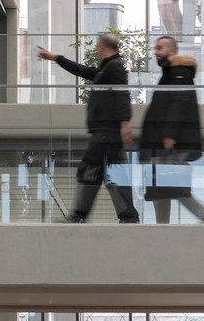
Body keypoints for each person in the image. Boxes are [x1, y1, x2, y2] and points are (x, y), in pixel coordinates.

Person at [36, 34, 140, 223]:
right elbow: (81, 70)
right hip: (106, 133)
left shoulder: (114, 67)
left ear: (101, 47)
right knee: (107, 174)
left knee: (92, 172)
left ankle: (81, 216)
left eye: (97, 47)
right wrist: (55, 58)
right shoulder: (106, 69)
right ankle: (126, 217)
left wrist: (125, 123)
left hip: (107, 133)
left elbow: (122, 94)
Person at [139, 36, 204, 224]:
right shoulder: (170, 73)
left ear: (171, 51)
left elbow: (178, 103)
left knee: (173, 185)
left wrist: (169, 135)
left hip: (170, 142)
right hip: (163, 142)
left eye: (159, 48)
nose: (155, 51)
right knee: (162, 188)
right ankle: (163, 226)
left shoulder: (178, 72)